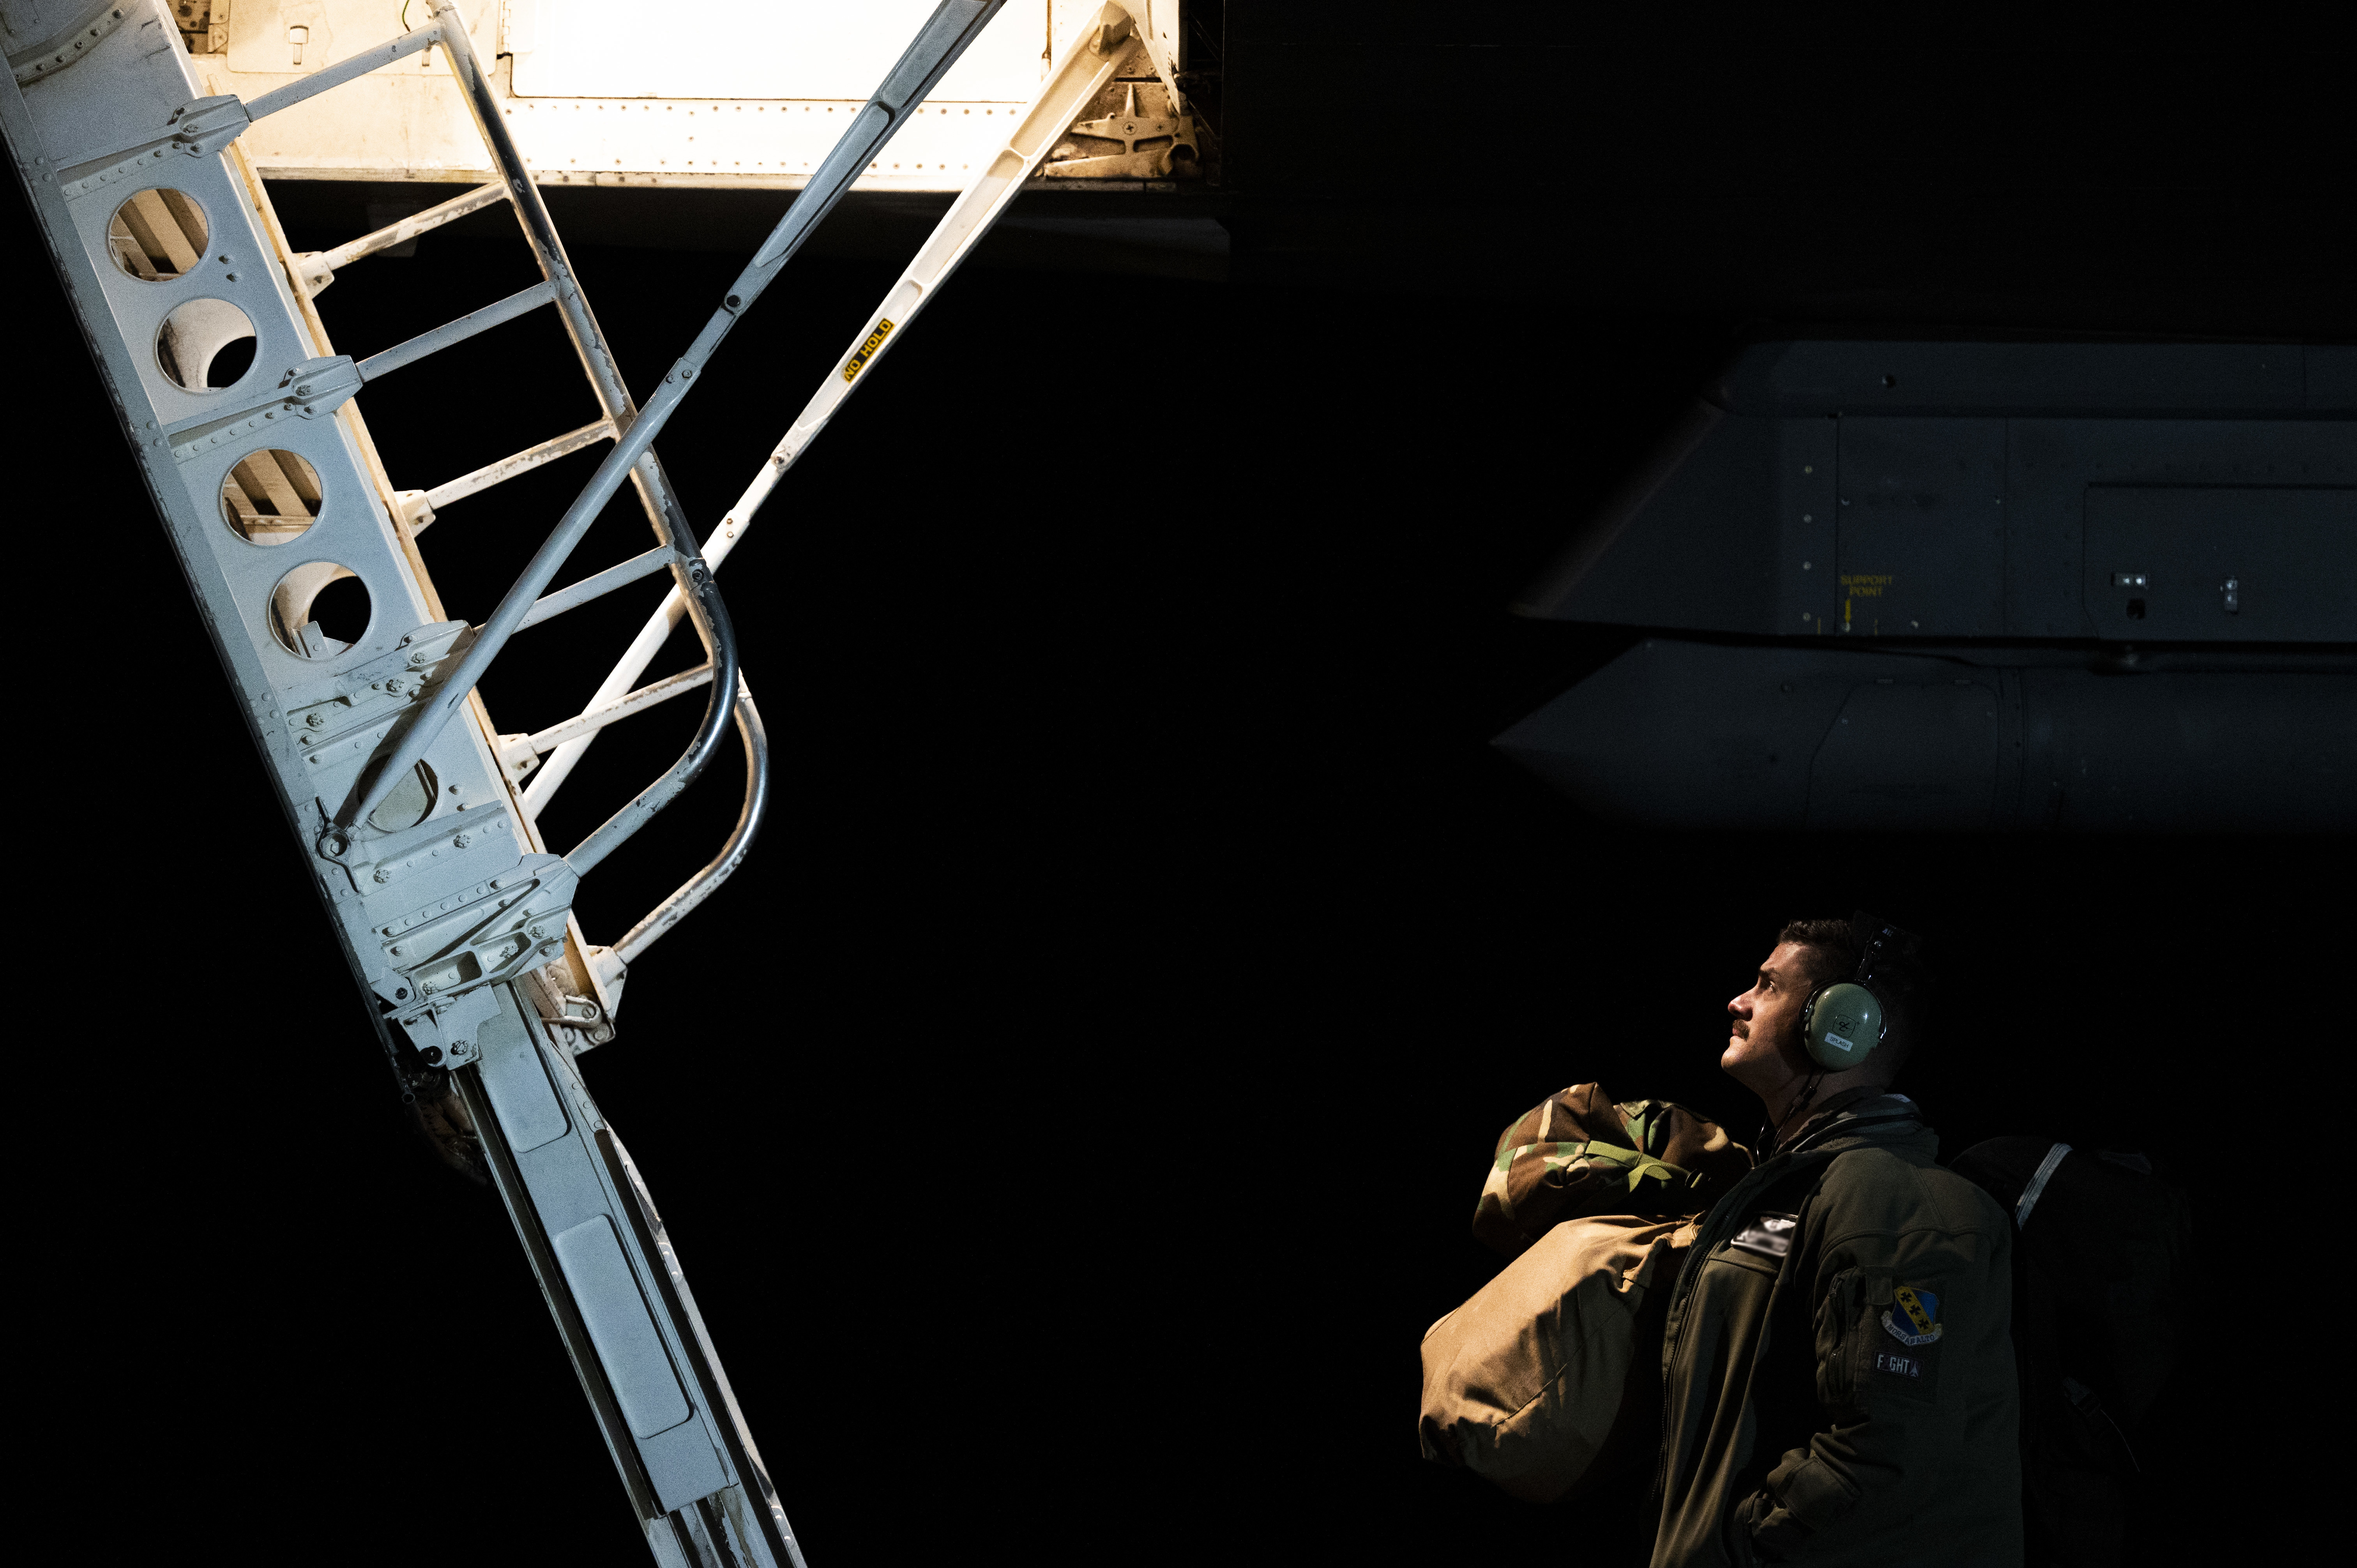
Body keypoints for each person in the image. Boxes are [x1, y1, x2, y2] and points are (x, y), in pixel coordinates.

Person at [1650, 917, 2021, 1566]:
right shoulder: (1798, 1186)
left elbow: (1882, 1456)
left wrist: (1736, 1546)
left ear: (1840, 1022)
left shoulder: (1895, 1203)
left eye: (1768, 986)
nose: (1738, 1002)